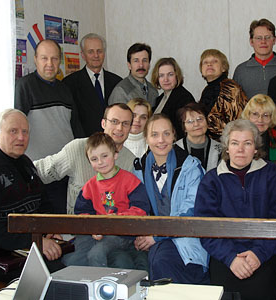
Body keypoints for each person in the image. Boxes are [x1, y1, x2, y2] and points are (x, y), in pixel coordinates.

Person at [194, 119, 276, 300]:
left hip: (264, 254)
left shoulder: (271, 174)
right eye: (235, 143)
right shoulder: (211, 180)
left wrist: (258, 254)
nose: (240, 149)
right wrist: (230, 258)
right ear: (227, 147)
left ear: (256, 148)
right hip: (225, 257)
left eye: (247, 143)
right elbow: (206, 227)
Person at [0, 109, 65, 282]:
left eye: (25, 132)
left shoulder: (25, 162)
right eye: (13, 131)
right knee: (58, 276)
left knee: (74, 262)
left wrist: (50, 229)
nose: (21, 137)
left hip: (27, 242)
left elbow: (44, 204)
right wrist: (36, 242)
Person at [133, 114, 209, 284]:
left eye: (166, 133)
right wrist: (140, 235)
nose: (161, 140)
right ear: (146, 138)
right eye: (154, 134)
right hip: (152, 237)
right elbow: (136, 207)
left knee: (161, 260)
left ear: (174, 136)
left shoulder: (191, 167)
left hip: (185, 237)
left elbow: (192, 211)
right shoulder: (138, 168)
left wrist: (156, 236)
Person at [15, 39, 84, 213]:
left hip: (65, 169)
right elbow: (18, 127)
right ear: (36, 59)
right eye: (44, 58)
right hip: (38, 170)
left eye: (54, 59)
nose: (49, 64)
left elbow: (75, 127)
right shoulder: (25, 86)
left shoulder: (65, 89)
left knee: (63, 219)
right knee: (42, 224)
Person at [62, 133, 149, 269]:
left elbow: (141, 209)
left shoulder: (130, 180)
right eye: (94, 159)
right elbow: (81, 212)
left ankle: (99, 283)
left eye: (104, 156)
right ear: (89, 162)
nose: (100, 162)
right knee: (76, 258)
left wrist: (117, 219)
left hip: (122, 232)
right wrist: (94, 227)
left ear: (115, 154)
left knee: (97, 254)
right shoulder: (89, 186)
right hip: (97, 231)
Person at [34, 103, 136, 214]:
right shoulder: (77, 149)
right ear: (103, 123)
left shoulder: (131, 163)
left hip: (112, 229)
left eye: (125, 124)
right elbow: (40, 171)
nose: (119, 128)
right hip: (76, 228)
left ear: (130, 128)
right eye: (114, 121)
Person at [63, 33, 122, 137]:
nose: (96, 55)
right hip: (85, 144)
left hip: (113, 141)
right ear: (82, 55)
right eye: (91, 52)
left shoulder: (117, 82)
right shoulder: (69, 84)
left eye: (99, 51)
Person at [233, 18, 276, 99]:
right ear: (251, 41)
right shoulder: (241, 71)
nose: (263, 41)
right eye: (258, 38)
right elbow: (235, 104)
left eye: (267, 37)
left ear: (274, 40)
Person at [199, 49, 248, 141]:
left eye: (215, 61)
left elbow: (237, 122)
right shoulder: (207, 90)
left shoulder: (230, 88)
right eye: (205, 62)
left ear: (224, 68)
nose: (209, 64)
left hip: (227, 143)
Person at [151, 57, 195, 139]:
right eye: (161, 75)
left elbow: (185, 131)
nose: (166, 79)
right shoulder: (159, 99)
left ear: (177, 76)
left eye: (170, 74)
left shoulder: (184, 97)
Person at [241, 94, 276, 163]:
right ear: (248, 115)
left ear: (272, 118)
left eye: (265, 115)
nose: (260, 120)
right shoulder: (237, 138)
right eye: (255, 114)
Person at [108, 43, 158, 107]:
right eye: (136, 61)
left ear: (149, 64)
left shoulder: (153, 90)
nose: (141, 65)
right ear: (129, 65)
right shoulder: (121, 91)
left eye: (144, 60)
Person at [176, 102, 221, 171]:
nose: (196, 124)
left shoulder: (220, 149)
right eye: (190, 121)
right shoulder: (175, 149)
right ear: (184, 127)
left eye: (200, 119)